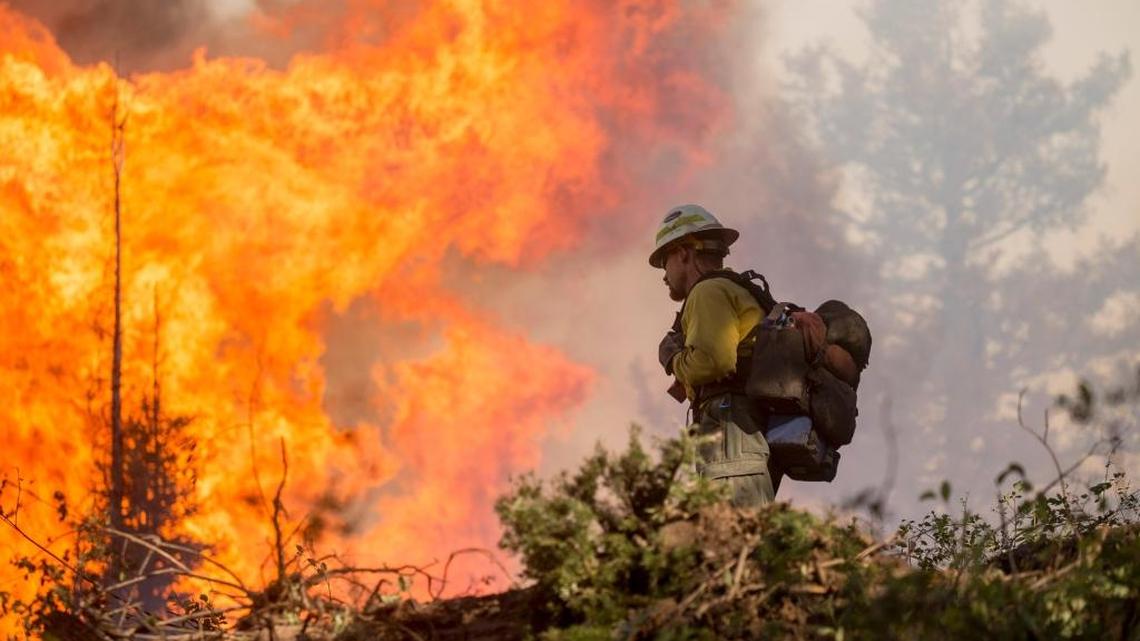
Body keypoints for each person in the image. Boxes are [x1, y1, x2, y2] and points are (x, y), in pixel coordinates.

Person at [651, 204, 777, 507]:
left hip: (731, 431)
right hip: (746, 434)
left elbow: (713, 362)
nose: (664, 275)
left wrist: (672, 358)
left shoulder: (707, 292)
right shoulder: (733, 288)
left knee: (735, 532)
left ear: (683, 252)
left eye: (664, 261)